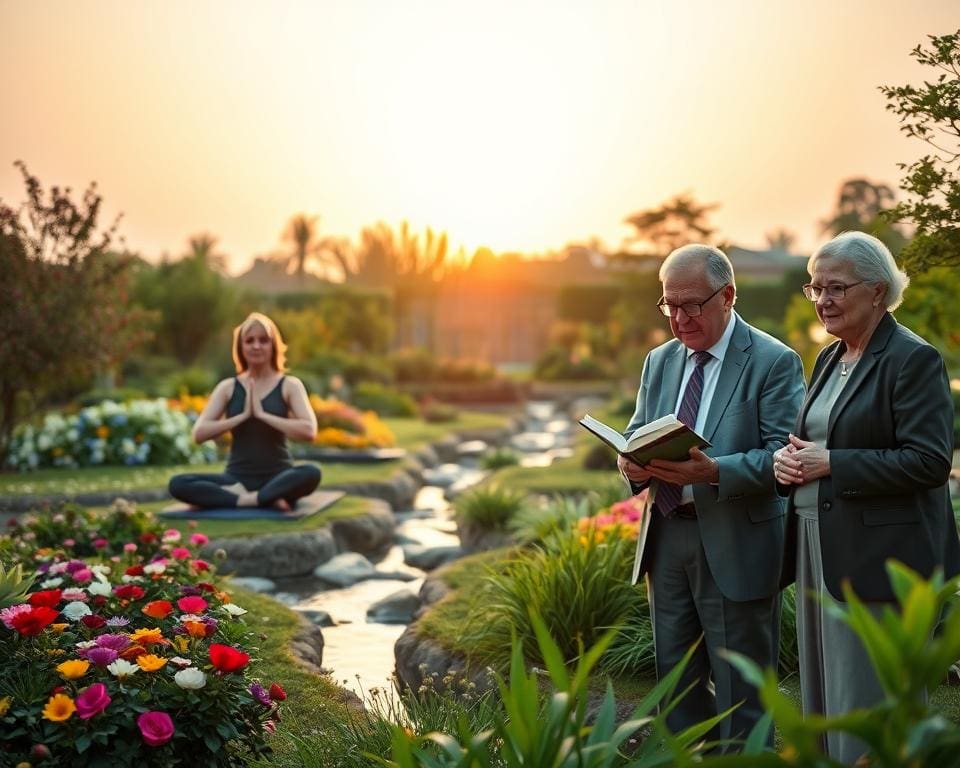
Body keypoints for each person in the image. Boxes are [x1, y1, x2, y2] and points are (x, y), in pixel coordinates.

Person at [774, 231, 960, 764]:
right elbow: (818, 438)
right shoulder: (830, 357)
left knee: (867, 698)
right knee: (824, 697)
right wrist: (793, 461)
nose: (823, 300)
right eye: (815, 288)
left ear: (877, 291)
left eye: (836, 288)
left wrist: (830, 462)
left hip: (878, 558)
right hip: (818, 547)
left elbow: (928, 462)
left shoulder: (912, 359)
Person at [619, 244, 804, 746]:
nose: (678, 318)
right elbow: (636, 431)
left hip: (736, 543)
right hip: (666, 541)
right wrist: (629, 461)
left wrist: (713, 471)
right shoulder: (659, 361)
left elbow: (785, 460)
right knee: (676, 689)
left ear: (728, 295)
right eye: (668, 305)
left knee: (743, 696)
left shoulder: (773, 361)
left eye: (691, 305)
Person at [168, 312, 321, 510]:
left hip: (280, 476)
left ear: (273, 345)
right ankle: (260, 499)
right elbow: (199, 434)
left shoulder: (289, 385)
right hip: (236, 481)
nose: (256, 346)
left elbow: (309, 431)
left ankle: (261, 495)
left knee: (311, 472)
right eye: (249, 341)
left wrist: (263, 415)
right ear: (241, 347)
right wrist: (241, 417)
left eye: (263, 340)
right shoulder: (228, 387)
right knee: (178, 484)